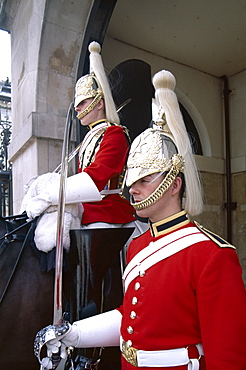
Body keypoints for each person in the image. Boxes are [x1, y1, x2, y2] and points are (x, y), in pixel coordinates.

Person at [34, 70, 246, 370]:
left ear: (174, 184)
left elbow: (228, 359)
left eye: (145, 179)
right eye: (133, 180)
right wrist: (74, 334)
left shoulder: (213, 255)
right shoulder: (139, 245)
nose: (133, 188)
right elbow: (130, 318)